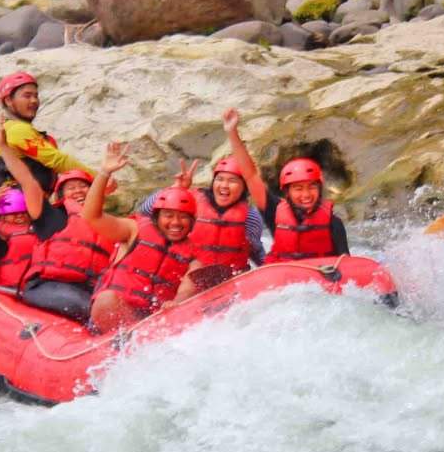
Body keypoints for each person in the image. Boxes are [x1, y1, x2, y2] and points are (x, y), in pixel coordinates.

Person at [0, 123, 117, 324]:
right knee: (95, 309)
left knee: (114, 301)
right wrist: (4, 147)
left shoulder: (108, 224)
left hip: (89, 287)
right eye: (71, 188)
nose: (78, 191)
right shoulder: (51, 215)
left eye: (84, 187)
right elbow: (27, 180)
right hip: (47, 285)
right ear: (61, 196)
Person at [83, 142, 204, 334]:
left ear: (192, 222)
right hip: (116, 315)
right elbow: (91, 216)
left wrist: (176, 304)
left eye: (183, 217)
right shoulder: (134, 230)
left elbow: (187, 290)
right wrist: (104, 172)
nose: (175, 223)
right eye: (169, 216)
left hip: (154, 323)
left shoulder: (194, 255)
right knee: (106, 300)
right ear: (156, 218)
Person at [222, 108, 349, 261]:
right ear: (287, 192)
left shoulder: (334, 224)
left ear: (320, 188)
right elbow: (250, 175)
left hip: (319, 281)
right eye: (298, 188)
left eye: (311, 187)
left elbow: (346, 265)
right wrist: (232, 133)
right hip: (283, 281)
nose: (306, 195)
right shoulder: (274, 211)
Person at [138, 156, 265, 275]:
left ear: (245, 187)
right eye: (219, 179)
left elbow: (256, 252)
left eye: (232, 181)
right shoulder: (192, 200)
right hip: (185, 274)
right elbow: (145, 210)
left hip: (227, 280)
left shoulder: (250, 217)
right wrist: (176, 189)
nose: (224, 186)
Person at [0, 71, 97, 194]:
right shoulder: (18, 130)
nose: (34, 101)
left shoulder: (2, 127)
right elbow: (57, 161)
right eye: (27, 96)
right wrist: (99, 179)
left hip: (14, 202)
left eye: (36, 96)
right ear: (8, 100)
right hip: (23, 206)